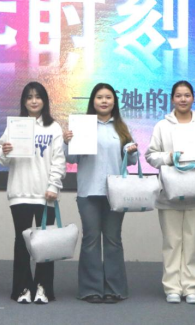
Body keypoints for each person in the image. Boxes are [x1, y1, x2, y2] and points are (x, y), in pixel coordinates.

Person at [145, 80, 195, 305]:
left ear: (193, 98)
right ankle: (172, 287)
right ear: (172, 99)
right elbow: (150, 156)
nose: (183, 99)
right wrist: (169, 157)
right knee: (171, 242)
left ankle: (190, 287)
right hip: (169, 193)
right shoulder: (162, 126)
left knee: (192, 243)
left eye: (187, 95)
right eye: (178, 95)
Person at [64, 83, 138, 304]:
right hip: (88, 191)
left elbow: (131, 161)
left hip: (116, 192)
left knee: (113, 240)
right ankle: (91, 289)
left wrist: (132, 150)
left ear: (114, 101)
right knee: (91, 239)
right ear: (93, 101)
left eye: (108, 97)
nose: (104, 101)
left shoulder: (122, 128)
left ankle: (115, 289)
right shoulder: (82, 126)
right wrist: (67, 142)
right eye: (99, 97)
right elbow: (71, 159)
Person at [0, 82, 66, 304]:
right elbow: (2, 158)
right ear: (23, 101)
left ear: (44, 100)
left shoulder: (54, 128)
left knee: (46, 244)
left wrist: (53, 186)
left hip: (46, 194)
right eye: (29, 97)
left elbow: (59, 161)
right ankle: (23, 288)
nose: (34, 101)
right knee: (22, 242)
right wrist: (5, 151)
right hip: (20, 193)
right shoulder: (16, 126)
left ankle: (43, 288)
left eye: (38, 97)